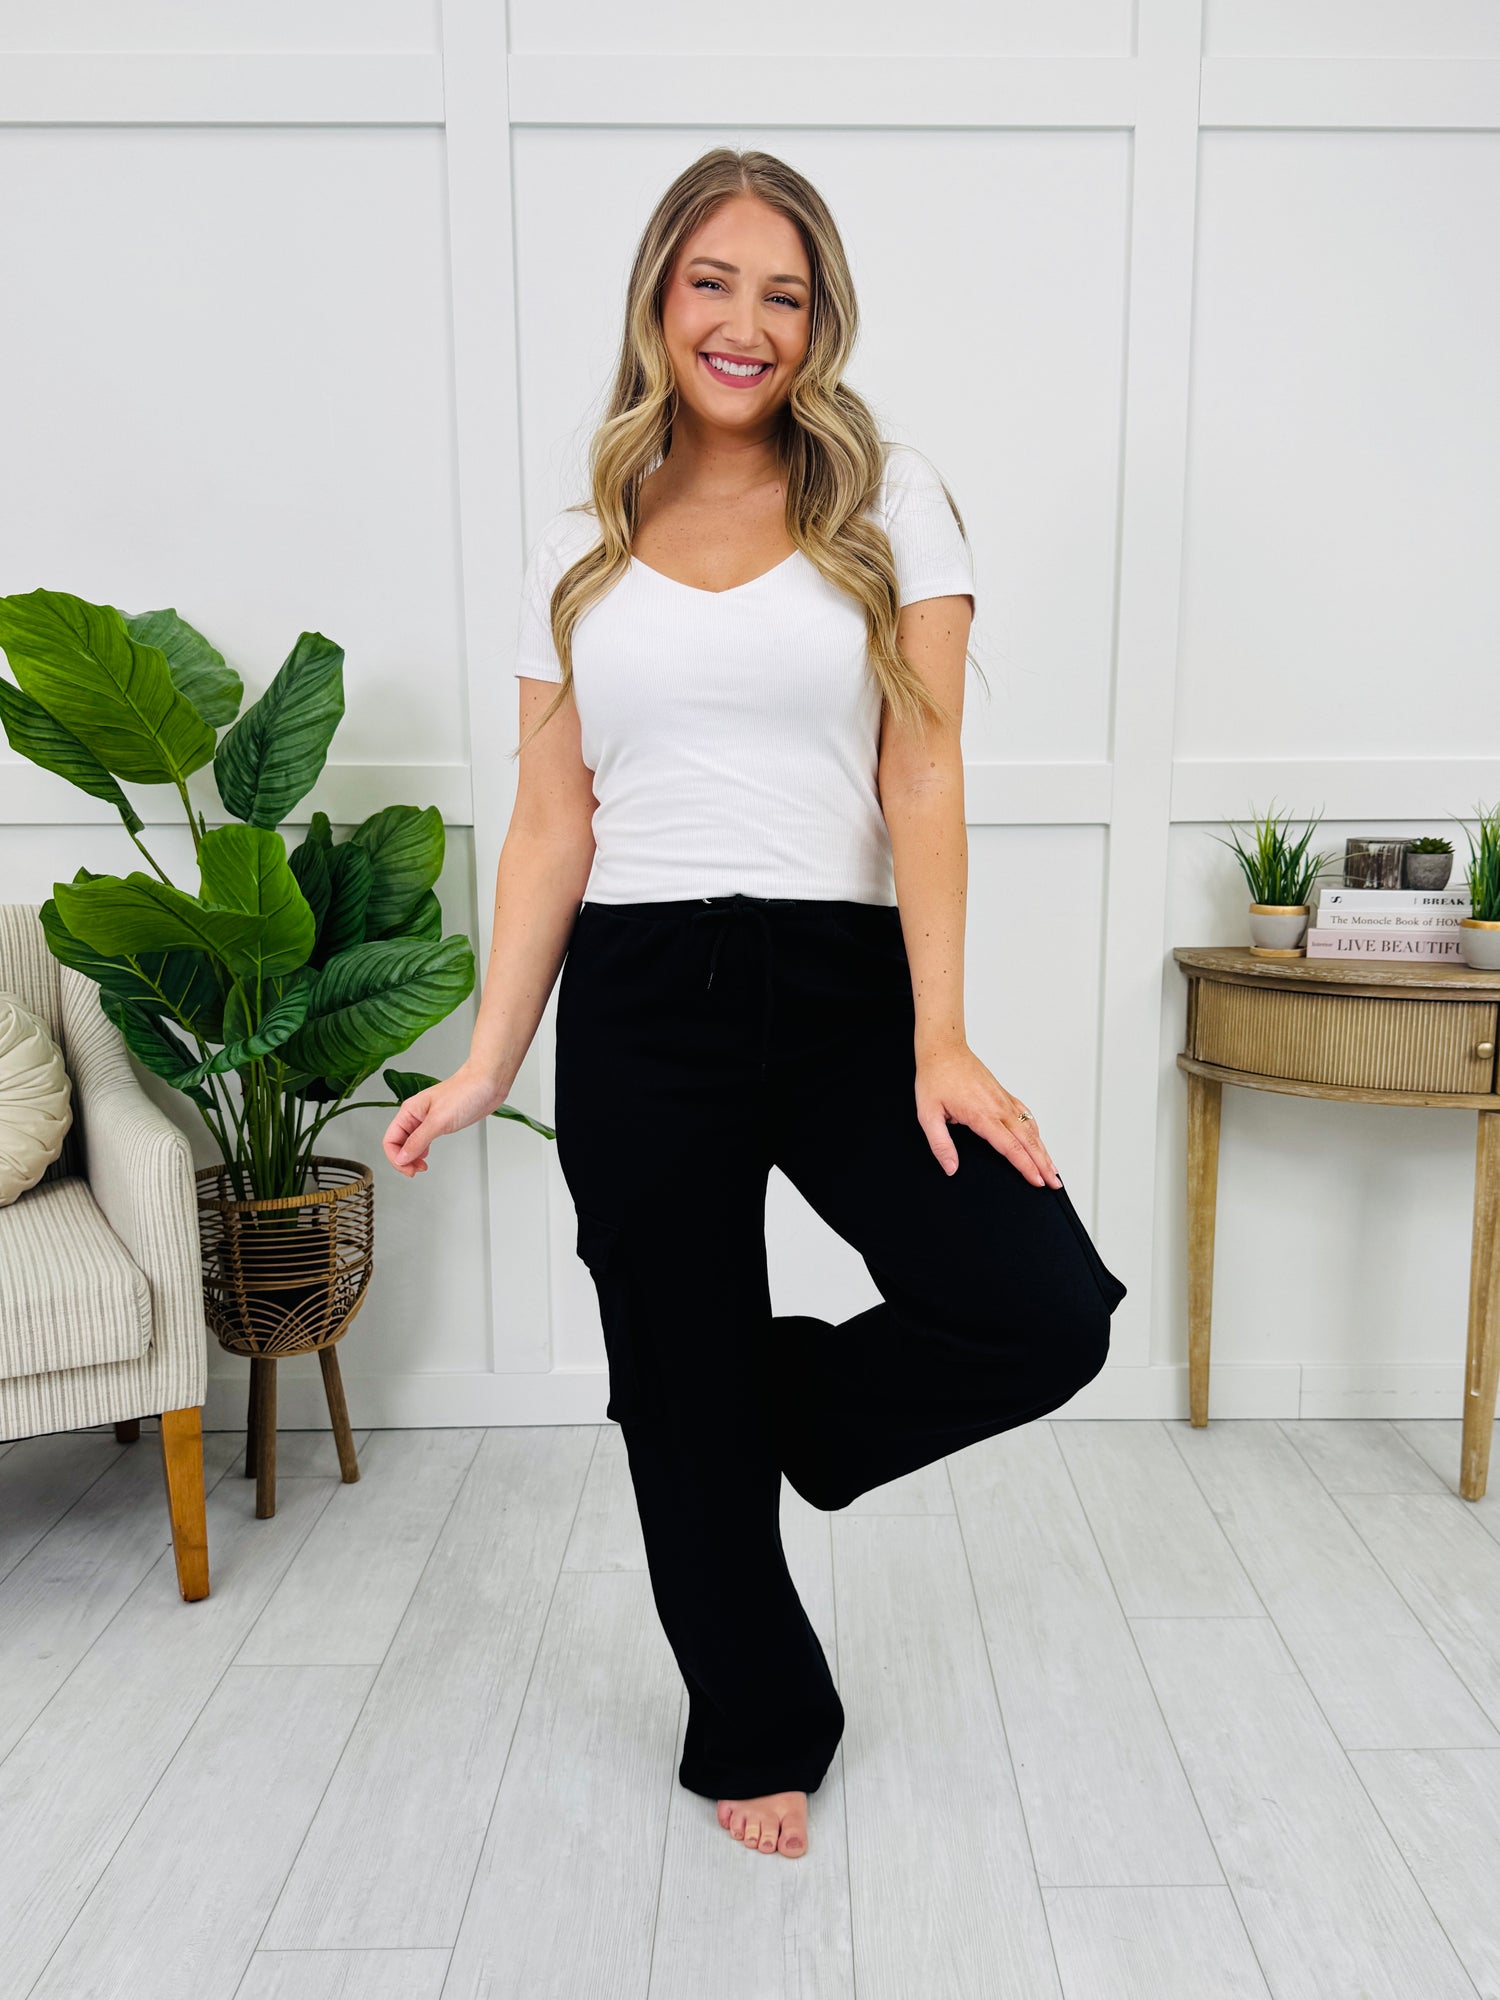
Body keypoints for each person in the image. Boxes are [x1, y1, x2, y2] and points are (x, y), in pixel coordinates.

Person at [382, 146, 1127, 1865]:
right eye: (714, 282)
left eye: (784, 294)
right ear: (661, 297)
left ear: (820, 321)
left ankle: (760, 1406)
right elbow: (552, 821)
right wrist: (489, 1058)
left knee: (1039, 1310)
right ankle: (759, 1725)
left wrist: (943, 1034)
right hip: (642, 998)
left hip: (848, 988)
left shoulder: (891, 498)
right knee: (677, 1381)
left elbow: (922, 773)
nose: (747, 322)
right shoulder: (578, 541)